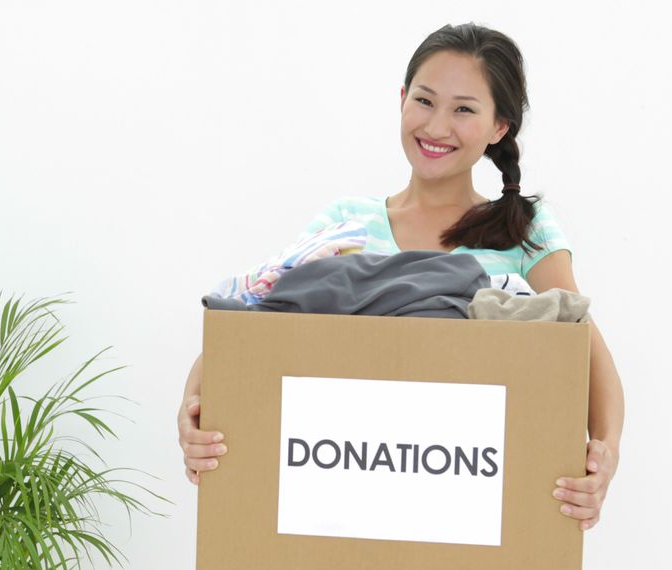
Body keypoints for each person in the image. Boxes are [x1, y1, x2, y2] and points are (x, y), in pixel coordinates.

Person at [177, 23, 624, 532]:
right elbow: (252, 327)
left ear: (500, 126)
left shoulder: (525, 231)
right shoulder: (344, 223)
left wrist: (604, 454)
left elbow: (586, 350)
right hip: (347, 494)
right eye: (425, 100)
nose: (436, 127)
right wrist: (192, 413)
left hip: (466, 509)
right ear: (402, 99)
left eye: (464, 109)